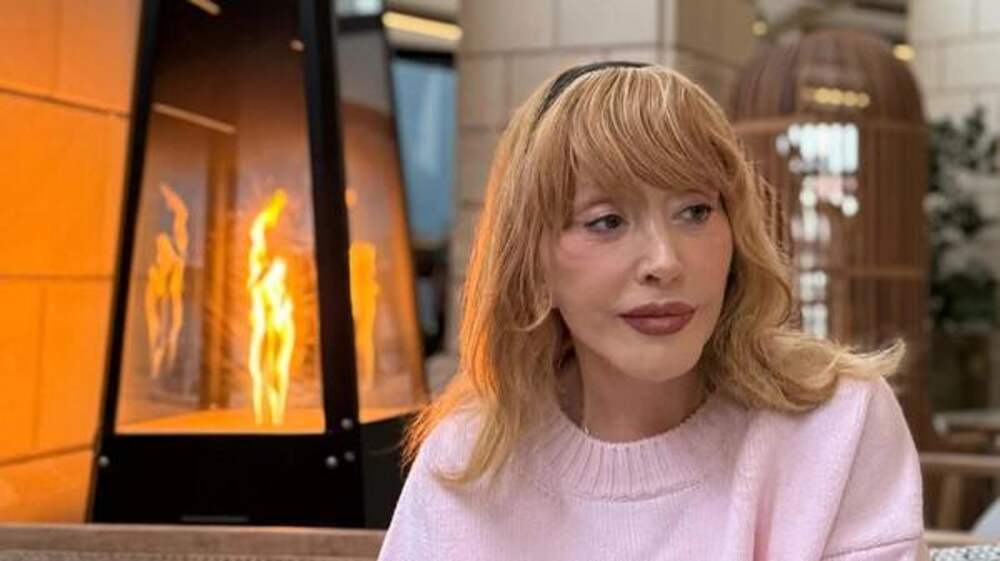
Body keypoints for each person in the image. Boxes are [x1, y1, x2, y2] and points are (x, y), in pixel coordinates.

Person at [377, 62, 925, 561]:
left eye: (695, 211)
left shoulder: (837, 423)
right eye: (607, 222)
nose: (665, 262)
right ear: (532, 261)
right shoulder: (466, 459)